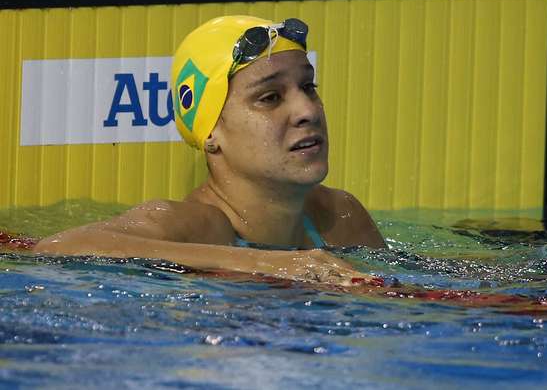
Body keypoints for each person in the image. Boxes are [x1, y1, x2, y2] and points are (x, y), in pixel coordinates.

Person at [33, 16, 386, 285]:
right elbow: (57, 247)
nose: (308, 111)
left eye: (308, 87)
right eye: (270, 98)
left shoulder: (338, 217)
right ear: (211, 131)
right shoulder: (197, 225)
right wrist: (266, 263)